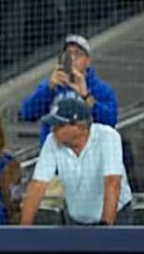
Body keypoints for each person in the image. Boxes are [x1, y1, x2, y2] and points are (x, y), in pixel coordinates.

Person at [20, 97, 132, 226]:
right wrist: (24, 228)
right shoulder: (52, 141)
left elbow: (112, 182)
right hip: (75, 219)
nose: (53, 130)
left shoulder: (108, 137)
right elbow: (38, 185)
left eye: (59, 125)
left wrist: (106, 227)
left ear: (79, 126)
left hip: (116, 217)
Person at [19, 34, 117, 144]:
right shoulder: (50, 86)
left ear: (87, 61)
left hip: (87, 150)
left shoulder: (101, 89)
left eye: (78, 54)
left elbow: (110, 121)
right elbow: (27, 113)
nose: (72, 59)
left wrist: (86, 96)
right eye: (68, 54)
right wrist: (48, 89)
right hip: (54, 150)